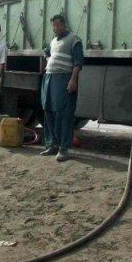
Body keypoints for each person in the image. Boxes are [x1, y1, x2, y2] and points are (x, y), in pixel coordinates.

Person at [40, 15, 84, 162]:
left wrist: (73, 80)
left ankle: (63, 148)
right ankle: (52, 144)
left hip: (64, 78)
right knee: (49, 111)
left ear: (64, 25)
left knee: (63, 114)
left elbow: (78, 63)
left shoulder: (74, 39)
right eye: (53, 26)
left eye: (58, 25)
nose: (56, 28)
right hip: (50, 78)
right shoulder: (53, 41)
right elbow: (46, 53)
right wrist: (46, 59)